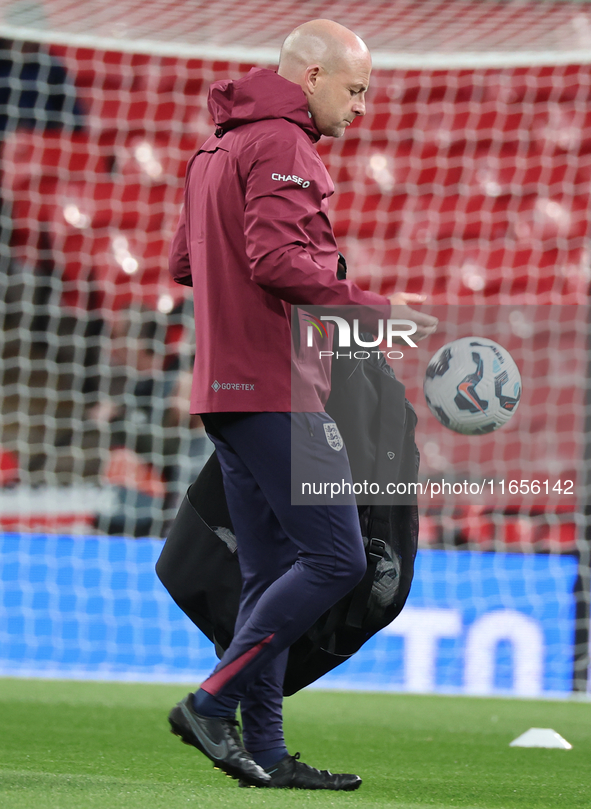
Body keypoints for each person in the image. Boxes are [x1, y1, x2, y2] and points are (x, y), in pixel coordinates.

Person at [166, 18, 437, 790]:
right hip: (277, 387)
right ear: (310, 76)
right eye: (354, 90)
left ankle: (270, 751)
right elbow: (280, 261)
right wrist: (377, 311)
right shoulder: (285, 146)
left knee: (269, 571)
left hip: (222, 385)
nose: (360, 108)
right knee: (336, 557)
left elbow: (185, 261)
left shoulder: (215, 147)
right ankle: (211, 701)